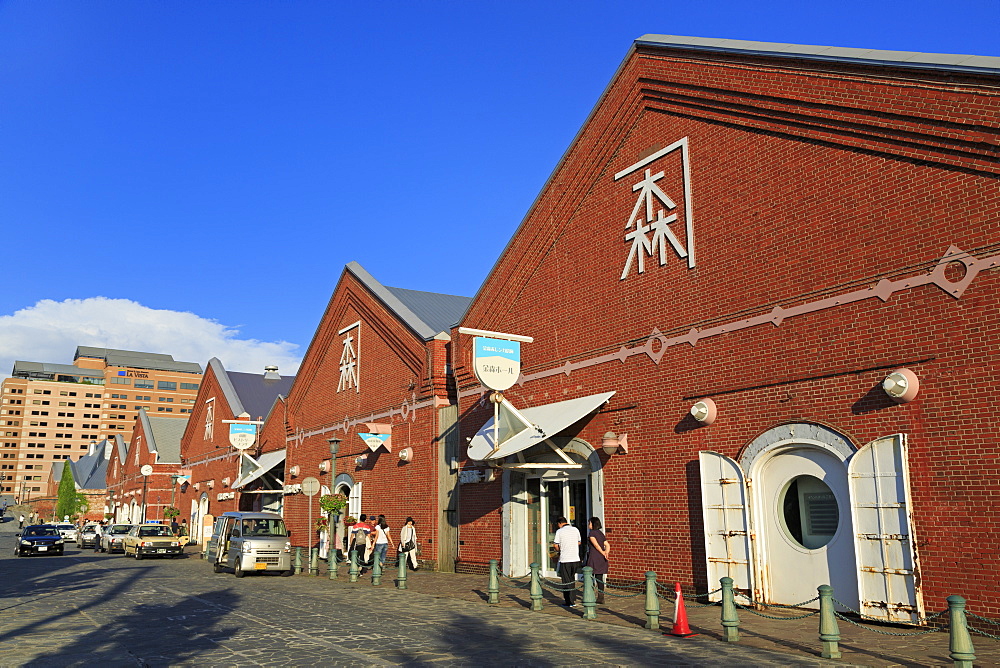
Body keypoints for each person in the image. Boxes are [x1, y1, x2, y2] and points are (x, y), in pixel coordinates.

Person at [552, 516, 582, 608]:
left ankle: (568, 601)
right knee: (572, 579)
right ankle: (573, 598)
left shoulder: (559, 531)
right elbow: (579, 542)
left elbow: (555, 545)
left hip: (565, 559)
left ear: (559, 523)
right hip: (575, 558)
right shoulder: (575, 529)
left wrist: (559, 550)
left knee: (566, 581)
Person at [585, 517, 610, 604]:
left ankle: (590, 594)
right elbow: (607, 544)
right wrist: (606, 553)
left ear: (593, 524)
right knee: (599, 578)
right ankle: (600, 596)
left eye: (589, 523)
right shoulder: (600, 533)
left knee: (589, 576)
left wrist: (603, 552)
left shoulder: (592, 533)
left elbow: (596, 545)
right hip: (601, 559)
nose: (588, 524)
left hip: (594, 557)